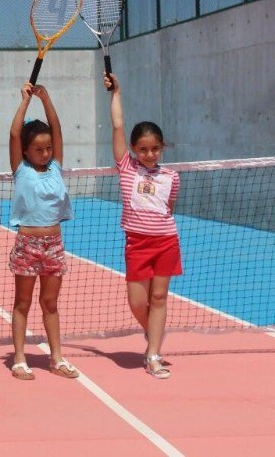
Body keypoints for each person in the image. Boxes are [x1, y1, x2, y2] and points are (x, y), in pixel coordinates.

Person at [106, 73, 181, 379]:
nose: (149, 154)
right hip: (137, 243)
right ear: (134, 150)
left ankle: (153, 354)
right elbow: (118, 126)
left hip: (166, 241)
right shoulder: (126, 167)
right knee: (138, 301)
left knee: (159, 297)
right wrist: (116, 93)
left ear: (161, 148)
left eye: (155, 149)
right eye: (143, 149)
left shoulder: (172, 177)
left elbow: (169, 208)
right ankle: (153, 334)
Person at [7, 82, 78, 380]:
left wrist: (46, 98)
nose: (46, 152)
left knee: (50, 303)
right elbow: (13, 133)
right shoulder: (20, 169)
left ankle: (56, 358)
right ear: (25, 150)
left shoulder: (56, 168)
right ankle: (20, 359)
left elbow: (58, 131)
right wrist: (25, 101)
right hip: (27, 243)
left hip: (54, 244)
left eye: (48, 148)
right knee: (22, 302)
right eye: (38, 149)